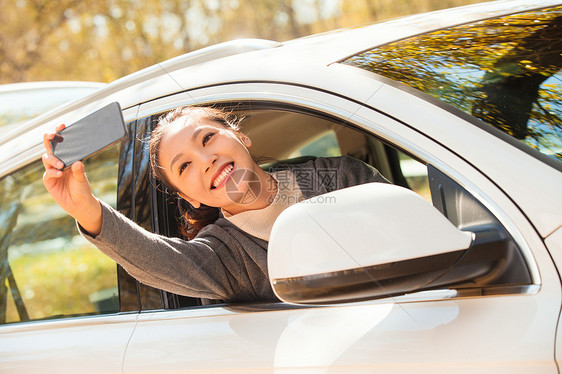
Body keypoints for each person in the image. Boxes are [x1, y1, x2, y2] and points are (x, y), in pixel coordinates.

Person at [42, 106, 389, 303]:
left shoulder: (339, 177)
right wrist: (86, 209)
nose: (206, 159)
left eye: (207, 138)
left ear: (242, 136)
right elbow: (153, 258)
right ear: (190, 198)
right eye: (184, 166)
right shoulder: (225, 256)